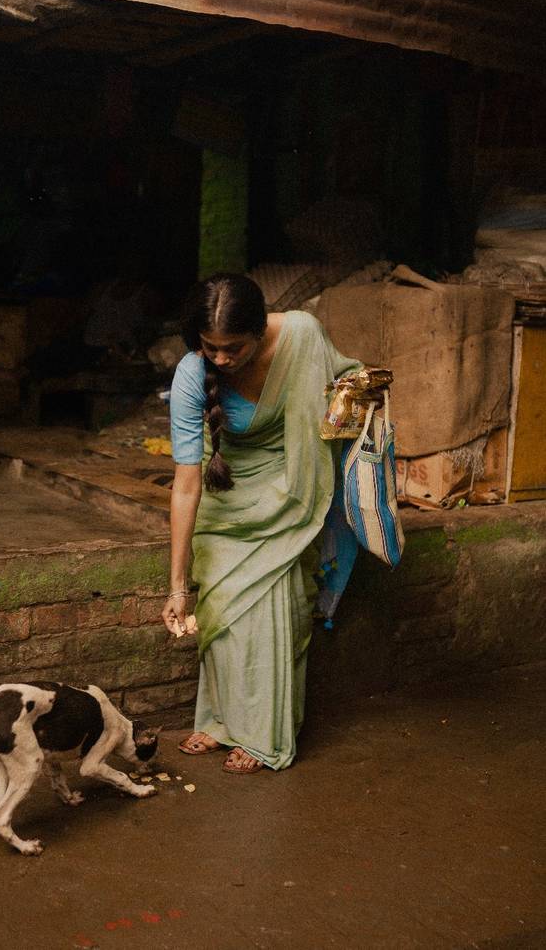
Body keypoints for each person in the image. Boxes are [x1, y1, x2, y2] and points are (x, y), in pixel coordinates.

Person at [161, 273, 360, 774]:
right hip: (228, 498)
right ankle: (221, 720)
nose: (222, 360)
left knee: (276, 612)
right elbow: (187, 483)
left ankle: (263, 736)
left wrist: (356, 400)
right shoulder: (192, 375)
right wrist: (177, 585)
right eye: (211, 348)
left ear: (261, 331)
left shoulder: (302, 336)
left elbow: (348, 384)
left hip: (296, 491)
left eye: (234, 348)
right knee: (223, 612)